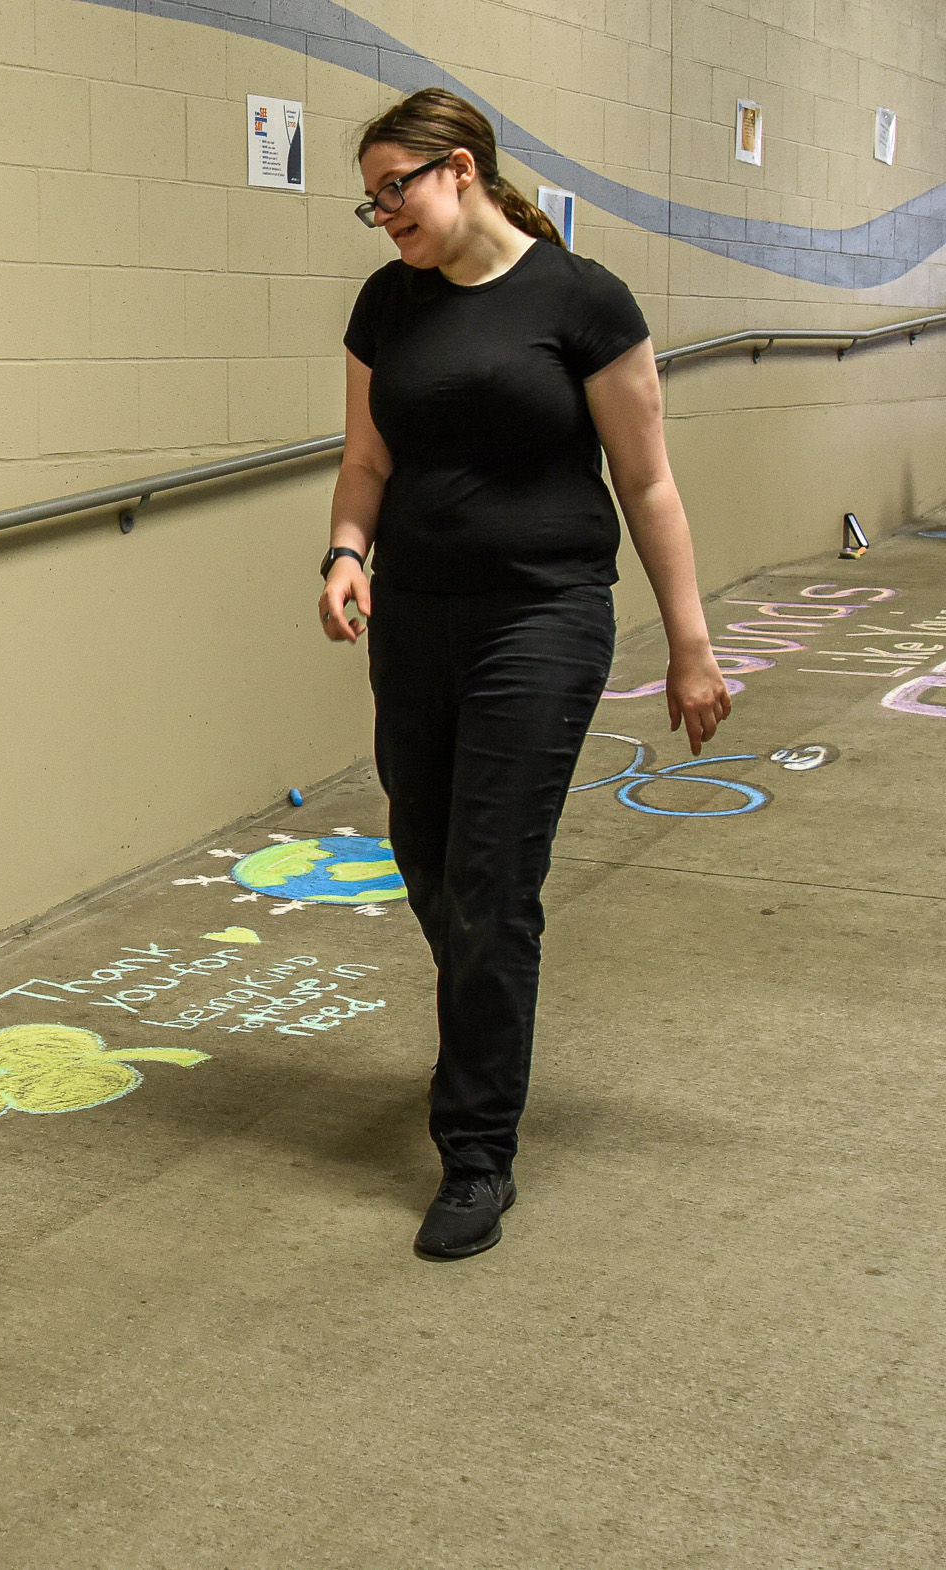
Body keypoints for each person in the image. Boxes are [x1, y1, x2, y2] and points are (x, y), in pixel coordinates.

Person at [316, 89, 729, 1261]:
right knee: (432, 863)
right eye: (370, 196)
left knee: (493, 881)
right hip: (417, 619)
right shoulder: (385, 304)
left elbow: (648, 483)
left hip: (543, 619)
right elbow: (364, 460)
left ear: (462, 170)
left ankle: (476, 1150)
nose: (380, 211)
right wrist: (348, 553)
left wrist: (691, 646)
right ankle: (483, 1022)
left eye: (395, 187)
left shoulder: (581, 299)